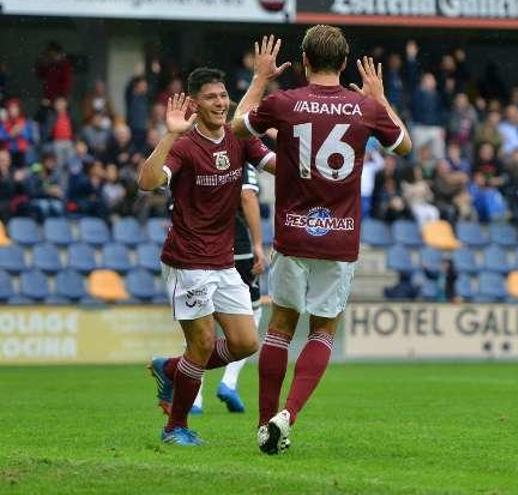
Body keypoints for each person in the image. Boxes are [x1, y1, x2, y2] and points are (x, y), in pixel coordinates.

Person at [231, 29, 412, 455]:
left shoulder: (286, 102)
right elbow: (404, 147)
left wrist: (259, 79)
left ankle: (264, 422)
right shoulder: (365, 108)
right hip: (339, 236)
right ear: (345, 62)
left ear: (305, 60)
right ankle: (287, 416)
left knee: (281, 327)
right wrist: (380, 97)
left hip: (293, 233)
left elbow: (239, 128)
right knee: (324, 328)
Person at [138, 67, 277, 446]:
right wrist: (169, 132)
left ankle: (171, 368)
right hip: (187, 260)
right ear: (195, 104)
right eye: (212, 97)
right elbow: (147, 182)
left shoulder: (238, 138)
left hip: (223, 259)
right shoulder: (183, 145)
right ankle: (175, 428)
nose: (220, 102)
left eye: (223, 96)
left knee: (246, 342)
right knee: (200, 344)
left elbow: (276, 166)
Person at [191, 163, 267, 414]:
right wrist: (258, 244)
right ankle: (229, 382)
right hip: (235, 245)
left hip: (199, 246)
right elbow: (247, 195)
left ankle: (195, 398)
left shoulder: (192, 154)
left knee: (201, 322)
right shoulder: (237, 156)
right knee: (252, 313)